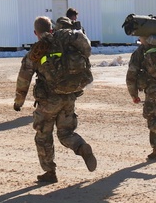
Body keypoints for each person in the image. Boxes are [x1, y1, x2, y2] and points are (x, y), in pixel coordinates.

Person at [13, 16, 97, 183]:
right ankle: (81, 147)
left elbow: (24, 78)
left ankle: (50, 172)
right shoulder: (65, 41)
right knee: (66, 133)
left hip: (48, 101)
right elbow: (87, 50)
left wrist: (18, 102)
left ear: (35, 32)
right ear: (52, 28)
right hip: (69, 96)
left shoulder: (37, 51)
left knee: (43, 136)